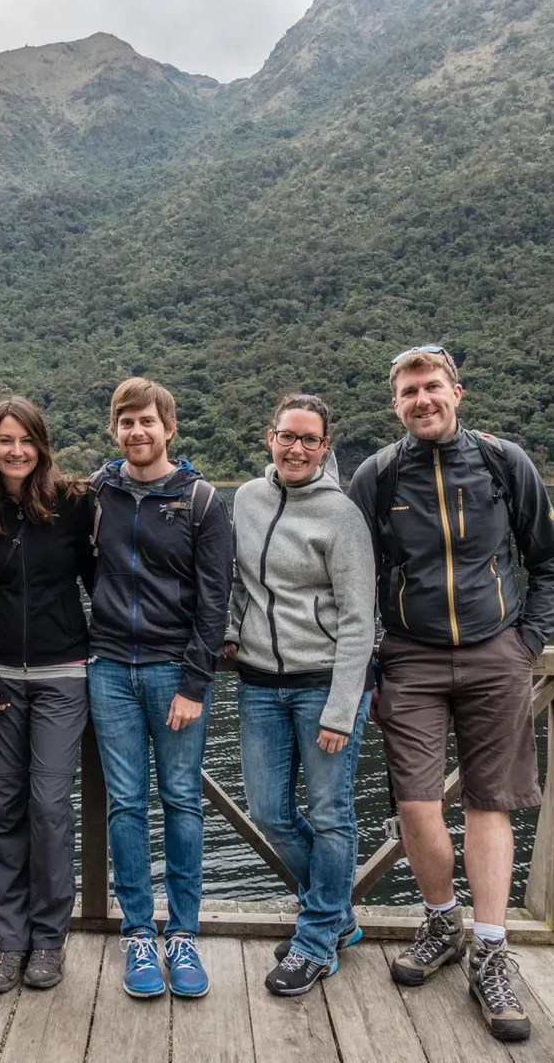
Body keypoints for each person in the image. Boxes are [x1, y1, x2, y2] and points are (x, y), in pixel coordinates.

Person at [347, 345, 554, 1042]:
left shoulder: (506, 463)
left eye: (432, 386)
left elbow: (550, 561)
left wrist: (527, 642)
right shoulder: (377, 475)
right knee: (416, 804)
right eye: (409, 391)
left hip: (495, 652)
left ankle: (493, 949)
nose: (422, 399)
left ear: (457, 391)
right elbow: (358, 578)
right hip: (409, 658)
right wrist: (371, 662)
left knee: (488, 802)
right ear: (396, 404)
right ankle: (442, 920)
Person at [223, 393, 376, 997]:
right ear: (270, 438)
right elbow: (239, 583)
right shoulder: (247, 500)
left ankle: (315, 942)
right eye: (289, 436)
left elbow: (359, 621)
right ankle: (335, 915)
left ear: (324, 448)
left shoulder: (342, 516)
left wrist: (342, 707)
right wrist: (233, 634)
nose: (297, 448)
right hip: (260, 684)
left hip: (322, 688)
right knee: (268, 812)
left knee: (333, 814)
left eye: (310, 440)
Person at [87, 377, 233, 999]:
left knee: (180, 800)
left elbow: (215, 598)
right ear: (114, 429)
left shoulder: (200, 500)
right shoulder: (98, 493)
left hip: (176, 671)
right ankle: (139, 935)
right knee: (125, 803)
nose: (137, 431)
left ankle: (185, 934)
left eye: (147, 421)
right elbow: (67, 562)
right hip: (110, 669)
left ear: (168, 428)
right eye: (126, 422)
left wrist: (195, 682)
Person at [0, 396, 95, 994]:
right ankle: (10, 942)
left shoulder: (72, 505)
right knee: (2, 810)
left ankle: (48, 940)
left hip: (64, 678)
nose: (16, 451)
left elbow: (101, 580)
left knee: (49, 807)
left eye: (26, 441)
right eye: (5, 441)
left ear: (41, 446)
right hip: (2, 684)